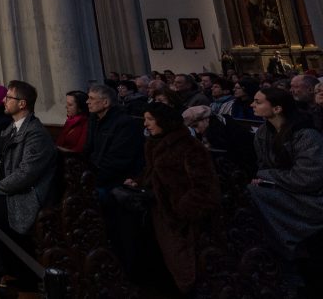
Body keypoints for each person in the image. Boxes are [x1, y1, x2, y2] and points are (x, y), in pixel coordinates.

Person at [0, 80, 57, 285]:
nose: (4, 100)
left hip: (26, 197)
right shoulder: (10, 129)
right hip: (9, 191)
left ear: (22, 104)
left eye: (9, 98)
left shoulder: (36, 134)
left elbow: (25, 175)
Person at [124, 103, 220, 294]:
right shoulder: (155, 143)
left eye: (150, 119)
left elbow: (204, 186)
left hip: (178, 215)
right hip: (158, 210)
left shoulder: (188, 146)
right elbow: (153, 173)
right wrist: (138, 182)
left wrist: (179, 211)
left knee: (183, 263)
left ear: (164, 121)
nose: (145, 124)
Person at [247, 87, 323, 259]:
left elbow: (307, 178)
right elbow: (263, 166)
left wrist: (267, 177)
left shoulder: (306, 135)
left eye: (258, 102)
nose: (252, 105)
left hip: (313, 195)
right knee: (253, 191)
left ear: (277, 108)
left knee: (257, 194)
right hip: (286, 187)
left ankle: (291, 246)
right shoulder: (262, 134)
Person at [84, 84, 144, 190]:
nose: (87, 102)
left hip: (116, 179)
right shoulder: (94, 120)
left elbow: (118, 160)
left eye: (91, 98)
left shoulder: (125, 124)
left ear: (106, 102)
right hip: (96, 173)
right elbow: (89, 149)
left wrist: (92, 179)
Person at [182, 105, 256, 175]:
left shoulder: (227, 132)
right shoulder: (216, 128)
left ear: (206, 119)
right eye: (193, 127)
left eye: (196, 126)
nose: (197, 131)